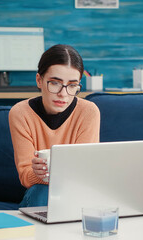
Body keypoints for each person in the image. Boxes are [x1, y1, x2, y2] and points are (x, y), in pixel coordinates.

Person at [9, 44, 100, 207]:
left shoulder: (89, 112)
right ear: (39, 80)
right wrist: (38, 174)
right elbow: (25, 176)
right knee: (43, 191)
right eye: (55, 83)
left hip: (77, 194)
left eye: (72, 85)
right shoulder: (20, 113)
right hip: (39, 195)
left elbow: (85, 173)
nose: (63, 94)